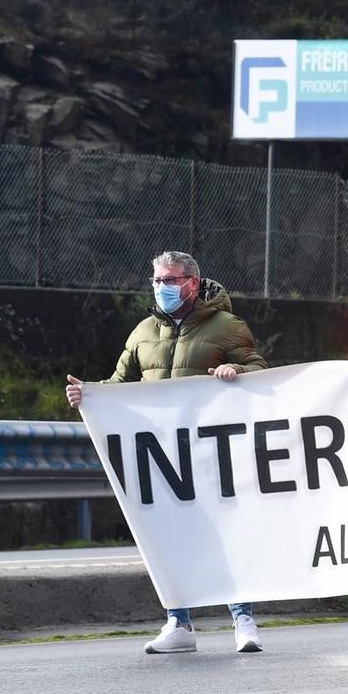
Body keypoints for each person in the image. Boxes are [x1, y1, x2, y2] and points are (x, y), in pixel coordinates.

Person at [65, 251, 267, 655]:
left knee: (226, 534)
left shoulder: (227, 326)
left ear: (193, 283)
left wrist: (237, 372)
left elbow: (260, 369)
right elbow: (119, 384)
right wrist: (86, 394)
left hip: (211, 453)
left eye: (171, 280)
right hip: (161, 456)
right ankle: (179, 622)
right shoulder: (142, 332)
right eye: (157, 280)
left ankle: (243, 619)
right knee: (170, 536)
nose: (162, 287)